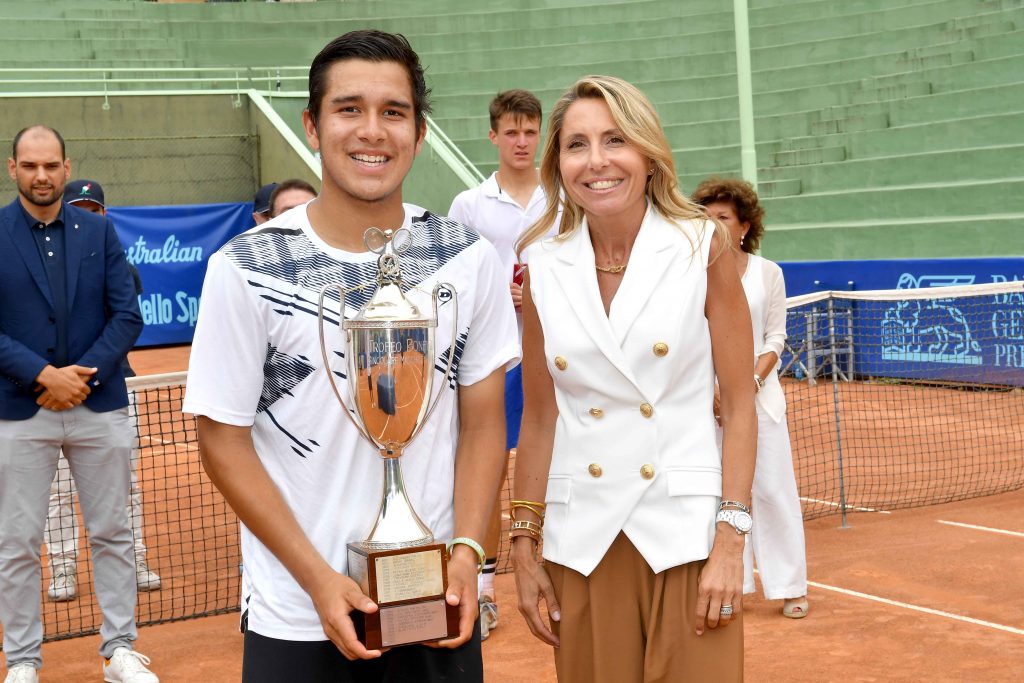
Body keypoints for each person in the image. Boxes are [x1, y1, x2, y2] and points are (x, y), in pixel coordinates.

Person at [183, 30, 517, 683]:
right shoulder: (244, 267)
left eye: (394, 112)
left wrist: (469, 551)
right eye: (348, 109)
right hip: (299, 612)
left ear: (420, 133)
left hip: (435, 605)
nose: (372, 131)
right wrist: (317, 578)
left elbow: (482, 421)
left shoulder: (467, 256)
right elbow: (221, 439)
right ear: (312, 125)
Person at [510, 76, 757, 682]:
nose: (596, 162)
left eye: (614, 140)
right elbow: (540, 416)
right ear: (558, 163)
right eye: (576, 145)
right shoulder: (541, 265)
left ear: (647, 154)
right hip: (586, 538)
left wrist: (731, 539)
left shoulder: (704, 245)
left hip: (688, 536)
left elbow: (743, 406)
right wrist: (520, 542)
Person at [0, 126, 159, 683]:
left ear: (66, 168)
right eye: (29, 165)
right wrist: (43, 375)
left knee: (112, 532)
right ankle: (21, 661)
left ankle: (119, 650)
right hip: (19, 412)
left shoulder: (100, 231)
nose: (40, 175)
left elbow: (127, 316)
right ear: (13, 167)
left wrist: (79, 380)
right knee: (17, 543)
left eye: (50, 165)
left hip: (98, 406)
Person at [447, 88, 554, 640]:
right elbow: (454, 278)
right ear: (493, 136)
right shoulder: (468, 205)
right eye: (510, 132)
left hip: (553, 356)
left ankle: (558, 571)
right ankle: (483, 591)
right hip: (491, 360)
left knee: (556, 466)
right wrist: (496, 297)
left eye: (529, 131)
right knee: (486, 474)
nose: (520, 141)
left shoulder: (562, 198)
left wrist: (539, 298)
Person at [693, 177, 809, 620]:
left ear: (743, 226)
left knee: (774, 491)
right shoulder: (689, 275)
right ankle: (730, 588)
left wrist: (744, 384)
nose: (713, 225)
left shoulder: (769, 273)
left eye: (722, 218)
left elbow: (775, 338)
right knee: (715, 497)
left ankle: (790, 585)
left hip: (760, 401)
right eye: (705, 218)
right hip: (704, 403)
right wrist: (712, 391)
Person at [43, 179, 161, 603]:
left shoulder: (119, 267)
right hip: (44, 396)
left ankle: (135, 558)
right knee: (57, 489)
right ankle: (63, 566)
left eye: (93, 210)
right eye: (78, 208)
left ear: (104, 216)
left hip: (107, 389)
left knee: (123, 485)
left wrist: (82, 376)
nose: (86, 216)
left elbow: (124, 324)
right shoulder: (36, 262)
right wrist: (52, 379)